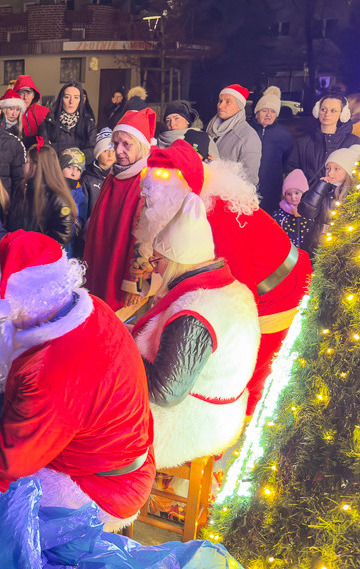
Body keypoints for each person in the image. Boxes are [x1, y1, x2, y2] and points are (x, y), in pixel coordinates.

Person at [0, 230, 154, 531]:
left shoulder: (50, 372)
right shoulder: (93, 309)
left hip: (96, 489)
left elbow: (11, 461)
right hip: (124, 460)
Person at [132, 139, 313, 418]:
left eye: (152, 197)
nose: (146, 202)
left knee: (244, 371)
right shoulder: (196, 204)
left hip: (278, 292)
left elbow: (236, 296)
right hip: (269, 278)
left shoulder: (215, 218)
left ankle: (232, 435)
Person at [130, 194, 260, 469]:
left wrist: (122, 348)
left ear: (176, 261)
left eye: (159, 260)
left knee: (90, 411)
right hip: (218, 412)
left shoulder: (196, 311)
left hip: (186, 423)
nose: (156, 268)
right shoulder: (224, 289)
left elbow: (165, 392)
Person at [82, 108, 155, 310]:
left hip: (125, 278)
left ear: (141, 146)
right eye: (115, 144)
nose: (118, 150)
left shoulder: (148, 181)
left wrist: (137, 287)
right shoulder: (113, 175)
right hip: (102, 264)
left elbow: (145, 244)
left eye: (126, 144)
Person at [286, 93, 360, 188]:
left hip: (342, 199)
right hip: (309, 198)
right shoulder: (302, 142)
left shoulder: (353, 142)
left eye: (333, 111)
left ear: (343, 114)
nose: (327, 114)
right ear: (317, 111)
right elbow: (291, 171)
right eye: (323, 109)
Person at [7, 144, 74, 250]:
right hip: (18, 252)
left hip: (41, 259)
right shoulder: (22, 189)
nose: (23, 165)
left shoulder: (58, 199)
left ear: (38, 166)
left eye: (27, 162)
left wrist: (35, 252)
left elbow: (60, 238)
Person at [297, 144, 360, 254]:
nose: (330, 173)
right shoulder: (325, 189)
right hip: (316, 245)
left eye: (337, 169)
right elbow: (306, 211)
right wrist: (320, 187)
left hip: (340, 248)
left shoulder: (354, 194)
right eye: (328, 168)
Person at [205, 84, 262, 186]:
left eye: (228, 102)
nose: (221, 106)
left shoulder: (247, 137)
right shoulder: (211, 128)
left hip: (228, 196)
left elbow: (249, 179)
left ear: (240, 107)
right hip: (207, 190)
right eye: (220, 101)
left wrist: (219, 167)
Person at [250, 87, 295, 215]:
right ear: (256, 112)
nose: (269, 115)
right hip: (247, 188)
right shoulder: (247, 131)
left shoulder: (284, 136)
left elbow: (288, 164)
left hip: (272, 190)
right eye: (264, 111)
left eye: (273, 112)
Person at [41, 82, 97, 154]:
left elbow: (92, 150)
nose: (71, 101)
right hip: (54, 164)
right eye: (67, 97)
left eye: (76, 97)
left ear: (80, 100)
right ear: (61, 99)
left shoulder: (88, 123)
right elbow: (44, 151)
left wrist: (73, 159)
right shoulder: (49, 122)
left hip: (80, 165)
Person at [273, 169, 314, 249]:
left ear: (304, 193)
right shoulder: (280, 214)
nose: (293, 197)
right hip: (286, 253)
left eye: (297, 193)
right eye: (289, 194)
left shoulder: (309, 212)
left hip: (307, 251)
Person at [60, 147, 90, 255]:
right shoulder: (51, 190)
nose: (73, 173)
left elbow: (78, 227)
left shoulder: (80, 197)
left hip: (68, 252)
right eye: (69, 167)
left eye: (78, 169)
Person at [81, 128, 114, 215]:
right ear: (98, 153)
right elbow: (82, 209)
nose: (110, 155)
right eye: (105, 151)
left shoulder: (120, 176)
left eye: (113, 151)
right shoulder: (87, 178)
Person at [12, 75, 50, 147]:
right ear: (16, 94)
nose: (25, 97)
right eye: (22, 93)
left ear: (33, 95)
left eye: (28, 93)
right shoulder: (11, 114)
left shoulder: (44, 112)